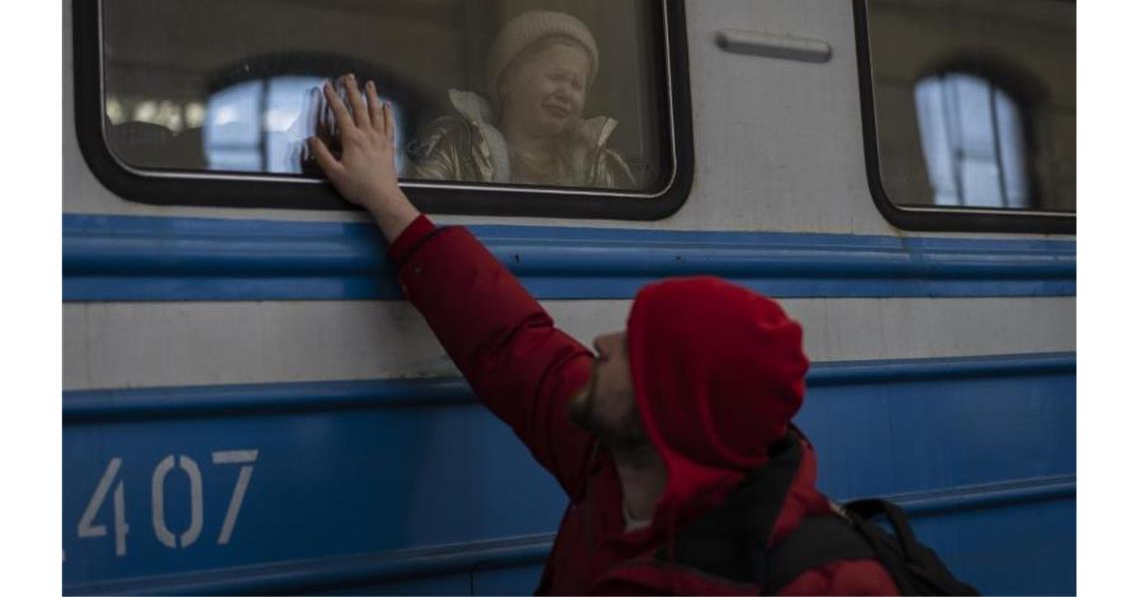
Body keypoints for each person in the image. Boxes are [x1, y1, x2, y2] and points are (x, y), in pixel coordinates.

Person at [308, 75, 898, 595]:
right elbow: (508, 338)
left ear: (672, 406)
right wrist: (385, 197)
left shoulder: (824, 582)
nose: (602, 345)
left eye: (635, 349)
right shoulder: (616, 464)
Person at [405, 10, 637, 188]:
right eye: (556, 77)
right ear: (507, 81)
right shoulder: (457, 148)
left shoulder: (598, 164)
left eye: (578, 85)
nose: (566, 93)